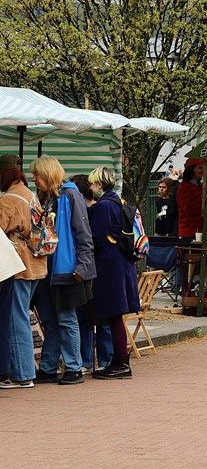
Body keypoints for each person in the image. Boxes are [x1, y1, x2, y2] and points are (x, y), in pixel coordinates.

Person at [31, 155, 96, 385]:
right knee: (50, 320)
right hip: (48, 269)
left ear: (48, 174)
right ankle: (49, 367)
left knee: (66, 319)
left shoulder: (69, 195)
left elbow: (83, 232)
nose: (34, 179)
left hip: (65, 268)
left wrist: (82, 266)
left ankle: (73, 367)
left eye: (37, 174)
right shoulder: (47, 198)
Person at [87, 167, 140, 379]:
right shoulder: (120, 202)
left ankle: (121, 362)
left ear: (99, 184)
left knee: (114, 315)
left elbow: (98, 238)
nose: (91, 188)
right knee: (117, 314)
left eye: (92, 184)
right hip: (124, 262)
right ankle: (119, 360)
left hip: (109, 265)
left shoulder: (103, 206)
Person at [0, 155, 47, 388]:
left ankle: (23, 373)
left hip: (18, 264)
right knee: (23, 316)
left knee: (16, 318)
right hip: (37, 262)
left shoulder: (7, 199)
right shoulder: (30, 195)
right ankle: (24, 370)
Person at [70, 174, 113, 373]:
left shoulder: (97, 210)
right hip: (91, 269)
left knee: (95, 316)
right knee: (86, 315)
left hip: (95, 269)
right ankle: (91, 359)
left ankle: (100, 359)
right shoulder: (91, 209)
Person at [176, 157, 205, 244]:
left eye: (203, 167)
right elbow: (188, 209)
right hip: (189, 233)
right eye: (200, 168)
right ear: (191, 169)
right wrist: (204, 196)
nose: (202, 170)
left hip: (200, 231)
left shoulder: (200, 186)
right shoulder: (184, 187)